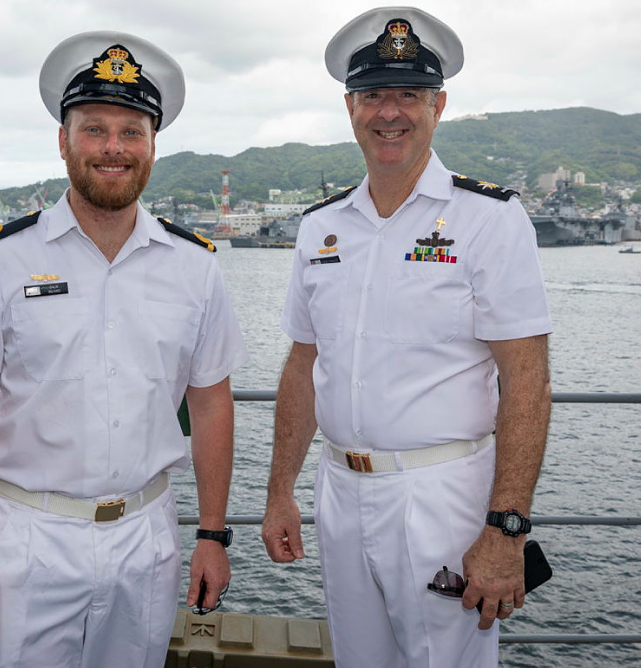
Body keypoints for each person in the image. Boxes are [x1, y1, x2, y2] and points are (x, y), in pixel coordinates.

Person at [0, 31, 248, 668]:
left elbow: (211, 406)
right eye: (94, 129)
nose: (112, 148)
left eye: (131, 131)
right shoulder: (0, 260)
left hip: (147, 536)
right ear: (63, 141)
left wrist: (212, 533)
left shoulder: (195, 267)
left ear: (153, 146)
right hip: (27, 537)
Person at [261, 7, 552, 668]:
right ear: (350, 106)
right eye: (373, 96)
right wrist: (281, 491)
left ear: (438, 105)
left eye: (408, 96)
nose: (389, 113)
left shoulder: (489, 219)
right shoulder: (321, 228)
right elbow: (304, 364)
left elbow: (527, 378)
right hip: (339, 493)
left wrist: (506, 528)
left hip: (442, 497)